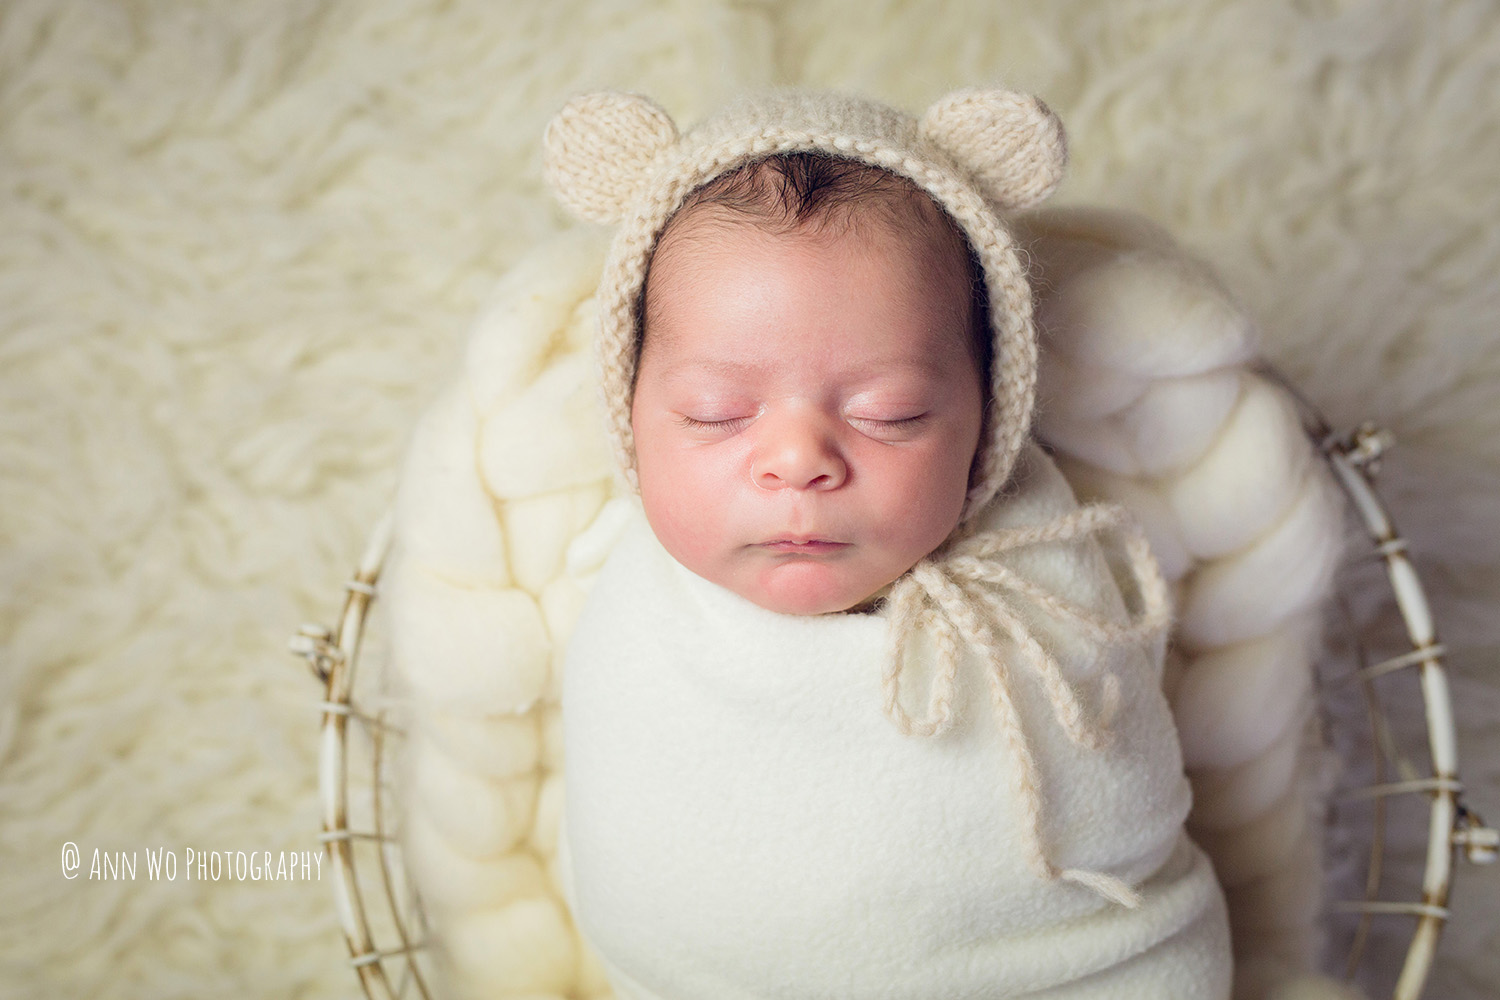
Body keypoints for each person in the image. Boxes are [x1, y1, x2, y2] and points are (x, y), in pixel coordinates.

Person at [546, 88, 1233, 999]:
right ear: (630, 412)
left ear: (989, 416)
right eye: (715, 414)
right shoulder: (618, 587)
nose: (798, 463)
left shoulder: (1039, 583)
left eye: (890, 413)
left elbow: (1118, 831)